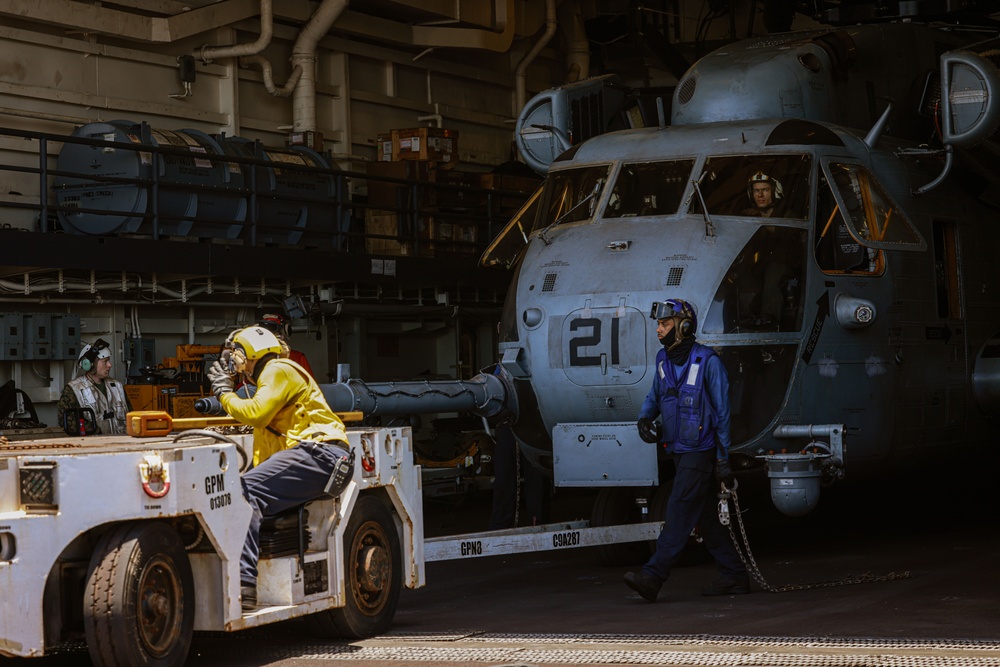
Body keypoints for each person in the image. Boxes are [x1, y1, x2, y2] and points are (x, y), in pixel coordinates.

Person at [206, 326, 354, 612]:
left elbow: (256, 414)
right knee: (248, 489)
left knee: (244, 492)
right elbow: (265, 457)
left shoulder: (278, 369)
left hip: (319, 452)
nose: (232, 363)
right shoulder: (267, 386)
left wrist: (225, 393)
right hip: (317, 456)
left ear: (245, 354)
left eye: (234, 355)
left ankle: (244, 585)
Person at [624, 298, 749, 602]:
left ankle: (653, 576)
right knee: (705, 515)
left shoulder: (708, 362)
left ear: (683, 327)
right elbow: (655, 395)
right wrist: (644, 418)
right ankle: (734, 576)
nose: (658, 330)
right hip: (678, 451)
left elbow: (722, 414)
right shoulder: (662, 361)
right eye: (658, 324)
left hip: (700, 451)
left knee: (679, 510)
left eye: (664, 324)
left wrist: (722, 459)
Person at [57, 338, 132, 435]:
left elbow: (131, 414)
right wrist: (96, 431)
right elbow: (66, 421)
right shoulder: (74, 389)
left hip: (122, 443)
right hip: (92, 445)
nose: (110, 365)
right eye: (105, 361)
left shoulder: (117, 386)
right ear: (89, 365)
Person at [258, 313, 314, 378]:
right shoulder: (252, 359)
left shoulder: (298, 358)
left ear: (282, 336)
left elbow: (309, 383)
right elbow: (245, 386)